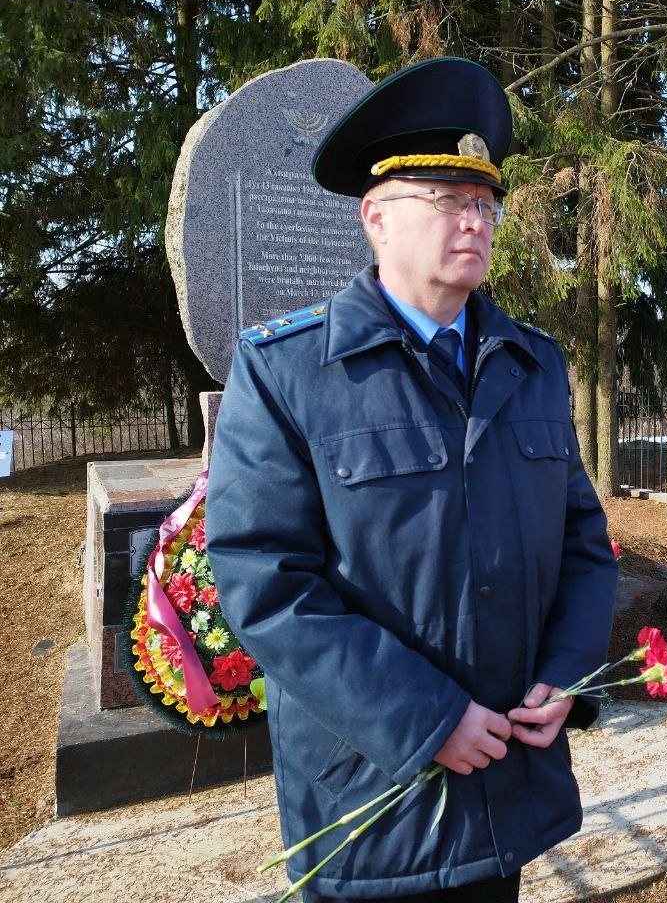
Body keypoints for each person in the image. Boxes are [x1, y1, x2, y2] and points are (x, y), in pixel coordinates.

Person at [206, 57, 618, 903]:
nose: (475, 221)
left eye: (485, 203)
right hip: (376, 802)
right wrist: (427, 720)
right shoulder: (288, 370)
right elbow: (264, 580)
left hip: (508, 785)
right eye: (446, 199)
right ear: (376, 218)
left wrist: (566, 674)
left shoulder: (532, 366)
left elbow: (582, 543)